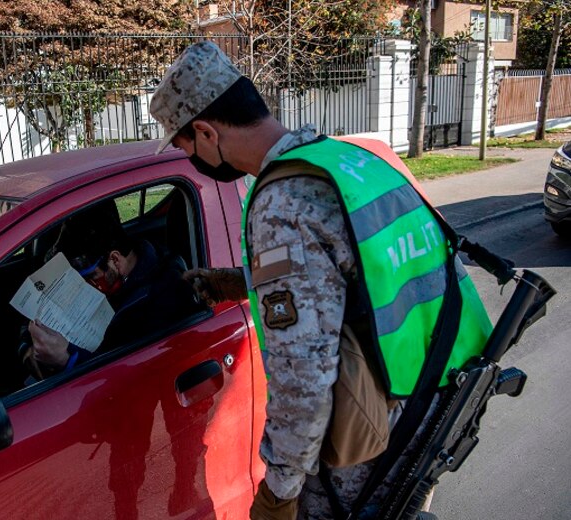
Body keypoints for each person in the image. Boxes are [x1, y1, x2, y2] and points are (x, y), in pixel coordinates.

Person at [149, 42, 492, 519]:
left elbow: (303, 375)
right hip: (435, 400)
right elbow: (361, 274)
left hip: (370, 444)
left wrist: (280, 489)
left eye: (185, 146)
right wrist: (246, 282)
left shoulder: (282, 204)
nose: (191, 157)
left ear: (206, 132)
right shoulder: (347, 163)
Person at [27, 201, 206, 374]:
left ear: (114, 260)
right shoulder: (112, 277)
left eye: (90, 276)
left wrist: (67, 360)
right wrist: (28, 348)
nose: (84, 285)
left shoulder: (166, 296)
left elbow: (132, 375)